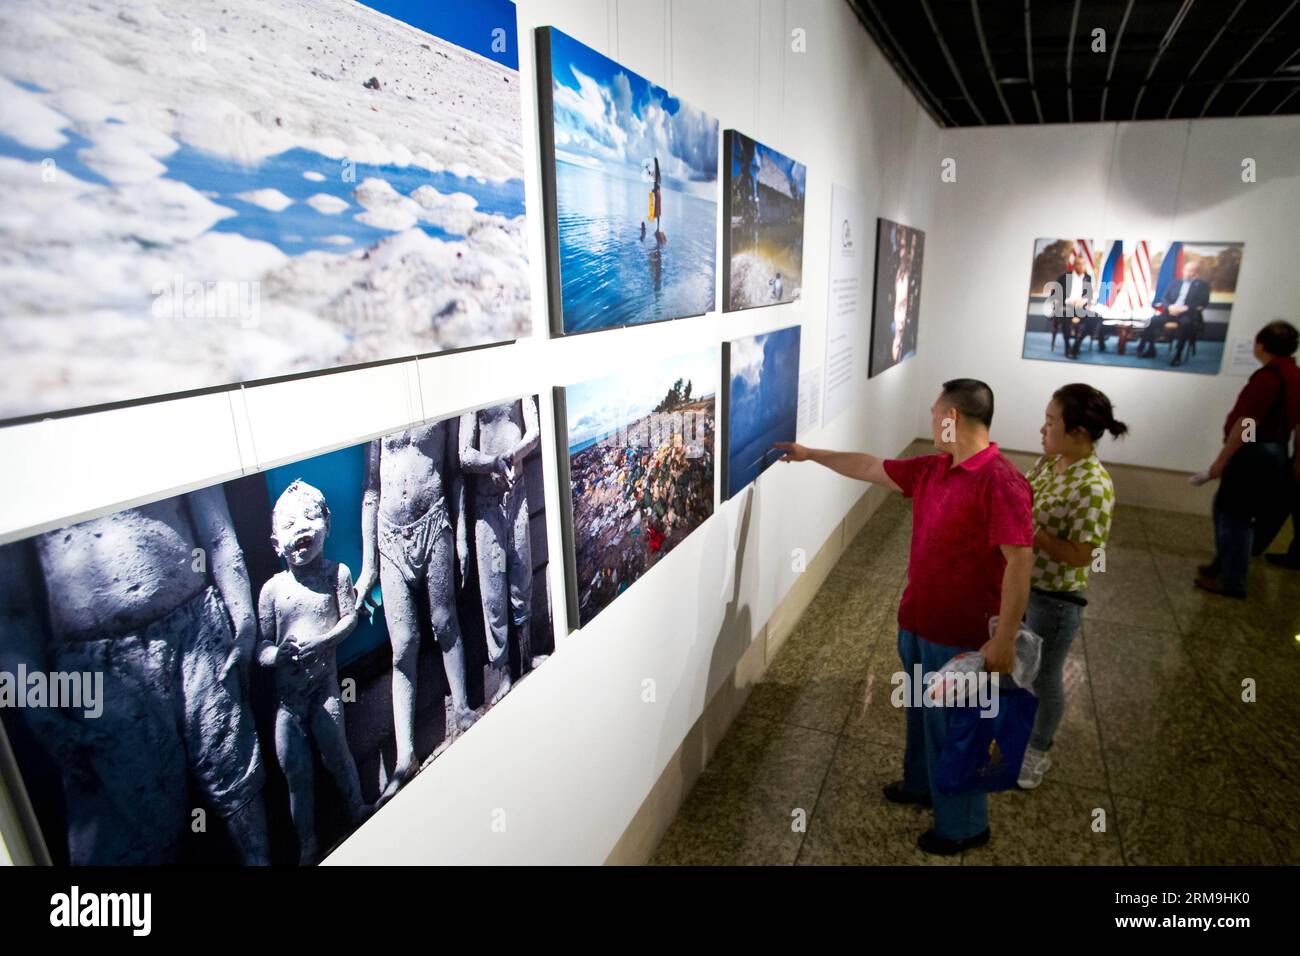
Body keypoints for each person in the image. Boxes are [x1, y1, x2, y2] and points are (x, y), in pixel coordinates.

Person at [776, 379, 1034, 856]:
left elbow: (1019, 560)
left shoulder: (1001, 480)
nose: (932, 421)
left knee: (958, 732)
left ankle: (963, 825)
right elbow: (872, 467)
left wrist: (1005, 640)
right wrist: (812, 454)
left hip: (962, 638)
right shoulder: (935, 469)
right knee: (922, 717)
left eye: (936, 412)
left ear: (953, 418)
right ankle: (920, 784)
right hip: (918, 624)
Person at [0, 488, 270, 865]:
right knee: (129, 828)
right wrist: (37, 707)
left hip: (198, 631)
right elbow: (10, 609)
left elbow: (220, 538)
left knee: (238, 784)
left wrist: (243, 623)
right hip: (96, 667)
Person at [356, 420, 476, 804]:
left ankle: (462, 709)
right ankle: (404, 755)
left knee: (445, 623)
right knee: (403, 645)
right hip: (390, 535)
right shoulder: (375, 410)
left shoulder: (436, 400)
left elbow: (454, 472)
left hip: (434, 521)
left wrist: (460, 537)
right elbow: (371, 489)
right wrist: (368, 568)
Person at [1017, 385, 1125, 790]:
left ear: (1078, 431)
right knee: (1018, 668)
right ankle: (1013, 735)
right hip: (1024, 585)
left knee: (1044, 679)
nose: (1042, 429)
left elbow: (1084, 555)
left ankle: (1037, 752)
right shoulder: (1051, 463)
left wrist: (1035, 534)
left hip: (1056, 599)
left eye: (1050, 422)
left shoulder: (1093, 486)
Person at [258, 480, 370, 865]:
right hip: (287, 705)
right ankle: (307, 845)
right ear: (276, 545)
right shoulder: (273, 591)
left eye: (309, 517)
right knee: (297, 777)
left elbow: (350, 619)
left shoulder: (335, 575)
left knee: (337, 754)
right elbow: (261, 648)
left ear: (327, 522)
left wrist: (323, 643)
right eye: (289, 524)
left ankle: (357, 808)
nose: (301, 529)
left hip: (324, 690)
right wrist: (277, 657)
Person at [1192, 321, 1300, 597]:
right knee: (1228, 511)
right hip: (1274, 452)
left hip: (1255, 456)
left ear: (1261, 345)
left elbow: (1249, 423)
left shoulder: (1268, 378)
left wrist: (1224, 458)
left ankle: (1232, 579)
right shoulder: (1293, 374)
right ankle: (1223, 565)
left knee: (1234, 517)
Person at [459, 398, 543, 705]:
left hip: (516, 495)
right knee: (493, 592)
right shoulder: (470, 391)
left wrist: (510, 456)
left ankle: (527, 654)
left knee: (521, 579)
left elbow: (533, 432)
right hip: (487, 507)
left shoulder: (519, 380)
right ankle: (504, 672)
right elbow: (464, 454)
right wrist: (494, 463)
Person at [1139, 260, 1209, 366]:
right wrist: (1170, 307)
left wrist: (1185, 308)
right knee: (1151, 321)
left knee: (1185, 325)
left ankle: (1177, 355)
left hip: (1187, 314)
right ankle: (1151, 349)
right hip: (1170, 313)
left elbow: (1203, 302)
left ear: (1196, 273)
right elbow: (1165, 298)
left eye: (1190, 271)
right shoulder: (1175, 283)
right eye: (1185, 270)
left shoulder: (1202, 285)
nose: (1186, 273)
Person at [1048, 254, 1101, 358]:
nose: (1081, 266)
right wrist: (1068, 301)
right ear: (1074, 265)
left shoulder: (1088, 278)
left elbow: (1088, 296)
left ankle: (1077, 344)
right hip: (1065, 307)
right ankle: (1067, 347)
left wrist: (1083, 300)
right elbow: (1053, 295)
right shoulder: (1064, 277)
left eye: (1083, 264)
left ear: (1085, 265)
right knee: (1066, 317)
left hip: (1080, 308)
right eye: (1078, 264)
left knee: (1096, 317)